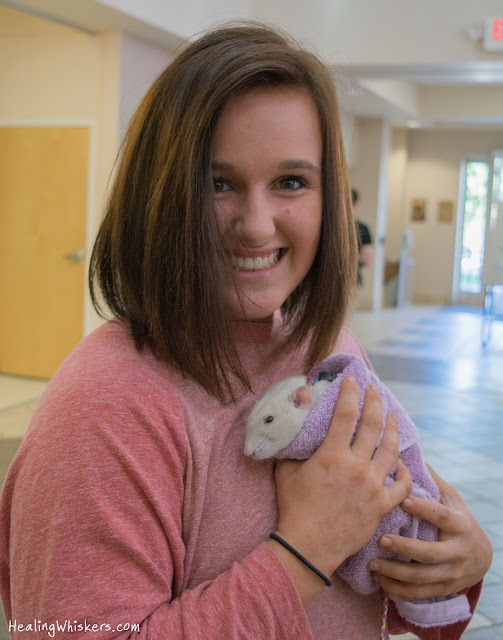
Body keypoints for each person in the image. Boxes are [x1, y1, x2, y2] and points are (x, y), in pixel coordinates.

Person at [0, 23, 491, 640]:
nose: (257, 226)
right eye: (218, 184)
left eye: (291, 181)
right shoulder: (103, 406)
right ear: (161, 195)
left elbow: (375, 574)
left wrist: (454, 565)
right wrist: (306, 550)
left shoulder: (329, 348)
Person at [352, 187, 374, 286]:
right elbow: (366, 260)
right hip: (353, 277)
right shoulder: (363, 228)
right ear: (356, 204)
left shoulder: (328, 227)